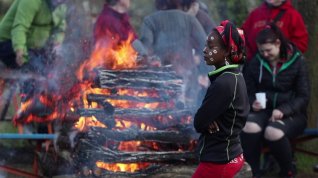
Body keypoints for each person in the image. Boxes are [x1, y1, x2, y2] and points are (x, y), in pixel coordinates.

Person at [241, 23, 310, 178]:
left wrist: (283, 110)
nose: (265, 54)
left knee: (273, 132)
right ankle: (253, 172)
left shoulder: (297, 61)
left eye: (268, 50)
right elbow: (246, 91)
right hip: (264, 110)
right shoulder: (256, 62)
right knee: (248, 126)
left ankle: (287, 172)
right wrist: (252, 102)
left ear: (278, 43)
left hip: (293, 113)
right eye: (261, 51)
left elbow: (303, 97)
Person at [192, 20, 250, 178]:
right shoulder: (234, 76)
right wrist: (208, 118)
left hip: (220, 160)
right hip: (232, 153)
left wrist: (206, 120)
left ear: (226, 52)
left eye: (211, 47)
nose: (205, 50)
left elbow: (198, 122)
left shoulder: (224, 83)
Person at [139, 0, 207, 108]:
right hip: (188, 81)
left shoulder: (150, 20)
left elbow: (144, 50)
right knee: (188, 118)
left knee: (162, 118)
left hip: (161, 82)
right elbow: (206, 47)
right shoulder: (189, 20)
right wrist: (205, 73)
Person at [242, 0, 308, 62]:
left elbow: (301, 43)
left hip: (283, 66)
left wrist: (283, 56)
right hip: (256, 66)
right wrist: (250, 57)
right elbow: (242, 37)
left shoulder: (293, 15)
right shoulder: (255, 14)